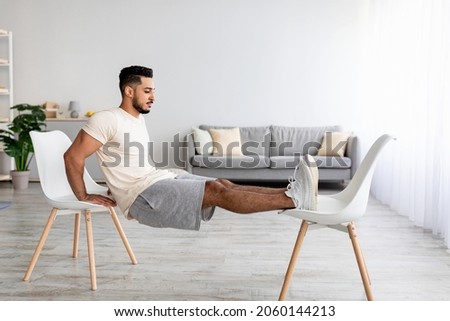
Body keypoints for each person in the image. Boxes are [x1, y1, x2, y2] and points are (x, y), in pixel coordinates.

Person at [64, 65, 316, 231]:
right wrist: (83, 195)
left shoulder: (136, 120)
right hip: (142, 197)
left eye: (153, 90)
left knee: (223, 183)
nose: (153, 96)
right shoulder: (106, 118)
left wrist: (116, 181)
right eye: (147, 90)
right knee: (218, 191)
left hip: (153, 178)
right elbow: (73, 157)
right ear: (129, 91)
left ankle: (292, 192)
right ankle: (292, 199)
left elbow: (122, 160)